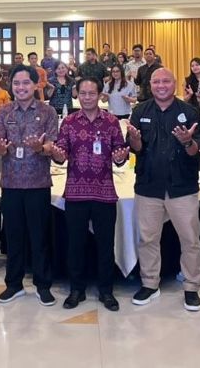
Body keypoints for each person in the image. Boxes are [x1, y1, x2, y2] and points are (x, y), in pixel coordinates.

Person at [127, 67, 200, 310]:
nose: (161, 86)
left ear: (174, 83)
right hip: (148, 185)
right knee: (148, 238)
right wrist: (135, 141)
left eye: (166, 81)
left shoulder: (189, 112)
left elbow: (198, 151)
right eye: (156, 82)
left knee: (190, 239)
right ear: (150, 85)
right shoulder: (140, 111)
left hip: (182, 186)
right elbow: (135, 148)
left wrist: (188, 142)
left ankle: (191, 287)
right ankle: (150, 283)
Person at [51, 77, 129, 311]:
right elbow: (60, 151)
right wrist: (57, 154)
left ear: (100, 95)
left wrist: (120, 157)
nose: (87, 97)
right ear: (77, 94)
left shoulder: (112, 121)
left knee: (105, 244)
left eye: (91, 93)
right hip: (75, 192)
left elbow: (120, 152)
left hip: (104, 192)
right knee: (76, 244)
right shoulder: (69, 122)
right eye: (83, 93)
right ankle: (77, 289)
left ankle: (106, 291)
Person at [0, 65, 59, 306]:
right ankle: (14, 284)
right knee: (13, 236)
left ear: (35, 84)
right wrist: (0, 150)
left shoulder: (48, 111)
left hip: (38, 183)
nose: (20, 87)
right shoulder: (4, 112)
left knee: (39, 236)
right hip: (11, 183)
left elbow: (53, 145)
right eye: (16, 83)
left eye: (25, 83)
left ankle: (43, 285)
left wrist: (41, 148)